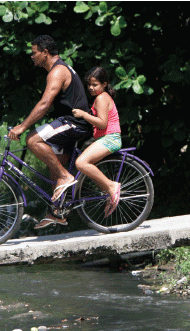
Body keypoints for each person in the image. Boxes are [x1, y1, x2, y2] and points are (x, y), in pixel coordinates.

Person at [7, 35, 92, 229]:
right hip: (69, 123)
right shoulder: (59, 69)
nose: (32, 56)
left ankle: (66, 177)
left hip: (75, 123)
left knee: (32, 140)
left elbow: (44, 104)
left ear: (45, 53)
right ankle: (57, 212)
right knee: (54, 165)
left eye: (34, 52)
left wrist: (22, 127)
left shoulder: (57, 71)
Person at [72, 66, 122, 217]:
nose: (91, 88)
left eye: (95, 85)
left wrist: (83, 115)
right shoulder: (101, 98)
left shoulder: (101, 98)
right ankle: (110, 193)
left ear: (104, 84)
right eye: (89, 85)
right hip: (106, 138)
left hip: (110, 138)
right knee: (88, 166)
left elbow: (102, 123)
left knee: (81, 163)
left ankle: (112, 186)